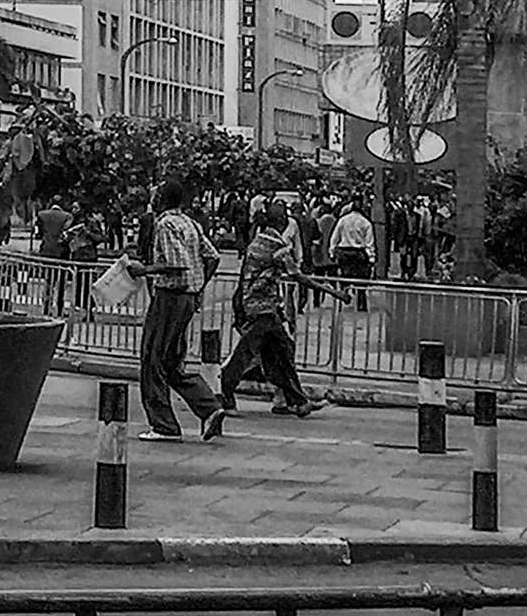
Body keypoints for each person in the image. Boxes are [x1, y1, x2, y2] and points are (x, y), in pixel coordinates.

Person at [131, 180, 228, 443]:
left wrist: (145, 270)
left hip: (170, 297)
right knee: (171, 362)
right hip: (186, 298)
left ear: (161, 199)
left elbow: (178, 265)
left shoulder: (165, 224)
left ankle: (163, 425)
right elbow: (213, 257)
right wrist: (198, 288)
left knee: (152, 358)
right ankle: (209, 407)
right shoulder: (191, 223)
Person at [220, 200, 329, 418]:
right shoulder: (277, 246)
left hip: (260, 305)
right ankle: (226, 392)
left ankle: (297, 400)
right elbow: (296, 275)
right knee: (247, 354)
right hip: (262, 309)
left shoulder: (258, 241)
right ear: (282, 222)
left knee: (279, 353)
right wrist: (330, 291)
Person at [329, 202, 376, 308]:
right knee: (360, 282)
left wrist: (332, 252)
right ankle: (361, 304)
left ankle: (340, 303)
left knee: (344, 281)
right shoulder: (366, 223)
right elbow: (369, 242)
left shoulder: (343, 220)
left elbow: (334, 237)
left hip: (344, 252)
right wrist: (371, 257)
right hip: (358, 254)